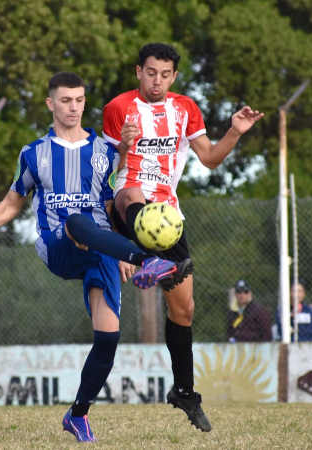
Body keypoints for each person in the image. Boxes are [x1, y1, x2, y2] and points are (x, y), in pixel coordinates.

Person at [0, 72, 177, 442]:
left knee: (108, 337)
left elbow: (110, 205)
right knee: (76, 220)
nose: (73, 107)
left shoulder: (104, 150)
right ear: (50, 104)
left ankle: (78, 414)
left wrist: (117, 243)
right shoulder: (34, 153)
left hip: (102, 248)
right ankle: (146, 259)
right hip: (61, 245)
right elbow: (11, 203)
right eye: (66, 100)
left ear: (85, 102)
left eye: (79, 100)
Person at [102, 42, 264, 432]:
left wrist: (235, 132)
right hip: (127, 204)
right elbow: (106, 173)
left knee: (183, 310)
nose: (156, 81)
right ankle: (140, 256)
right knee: (132, 193)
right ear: (138, 71)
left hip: (168, 219)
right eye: (150, 72)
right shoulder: (117, 108)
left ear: (173, 76)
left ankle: (184, 392)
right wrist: (118, 244)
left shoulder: (185, 108)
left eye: (165, 74)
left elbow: (209, 158)